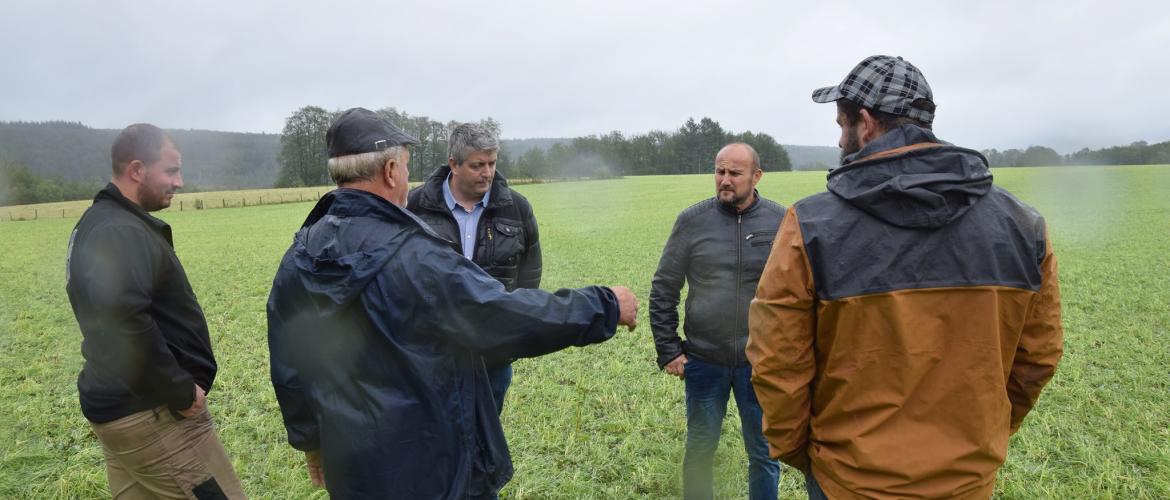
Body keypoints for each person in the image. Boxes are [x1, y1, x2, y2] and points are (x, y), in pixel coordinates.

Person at [267, 107, 638, 499]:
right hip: (433, 462)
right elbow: (502, 315)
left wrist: (310, 441)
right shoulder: (418, 259)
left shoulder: (298, 255)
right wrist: (605, 304)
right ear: (391, 171)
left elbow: (291, 364)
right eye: (406, 168)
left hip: (353, 466)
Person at [747, 55, 1064, 499]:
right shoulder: (1023, 225)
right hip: (967, 481)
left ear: (866, 122)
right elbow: (1039, 357)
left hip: (850, 481)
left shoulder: (811, 224)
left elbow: (777, 361)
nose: (840, 140)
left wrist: (804, 452)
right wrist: (980, 438)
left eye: (842, 125)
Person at [65, 123, 245, 499]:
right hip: (156, 416)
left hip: (122, 410)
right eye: (172, 170)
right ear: (136, 170)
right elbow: (124, 321)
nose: (179, 182)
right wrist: (180, 390)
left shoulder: (99, 223)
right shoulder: (119, 231)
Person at [650, 143, 785, 500]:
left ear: (756, 177)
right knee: (700, 450)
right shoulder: (692, 221)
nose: (724, 180)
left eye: (734, 174)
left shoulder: (781, 222)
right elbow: (664, 287)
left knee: (765, 453)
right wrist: (668, 349)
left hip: (760, 363)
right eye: (719, 171)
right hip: (704, 360)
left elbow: (798, 294)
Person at [407, 122, 540, 414]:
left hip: (492, 351)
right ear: (453, 163)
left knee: (486, 435)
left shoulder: (517, 208)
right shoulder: (415, 206)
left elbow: (529, 276)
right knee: (434, 435)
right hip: (431, 350)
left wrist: (513, 335)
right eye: (478, 165)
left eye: (492, 163)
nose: (488, 173)